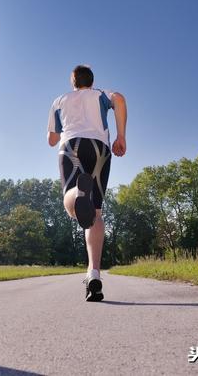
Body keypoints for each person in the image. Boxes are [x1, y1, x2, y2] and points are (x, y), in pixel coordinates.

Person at [47, 65, 127, 302]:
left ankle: (77, 192)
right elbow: (119, 99)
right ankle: (94, 275)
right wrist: (121, 136)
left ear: (73, 81)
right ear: (91, 81)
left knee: (71, 205)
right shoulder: (100, 94)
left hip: (71, 146)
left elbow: (51, 139)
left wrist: (56, 129)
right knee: (96, 214)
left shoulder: (59, 100)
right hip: (99, 148)